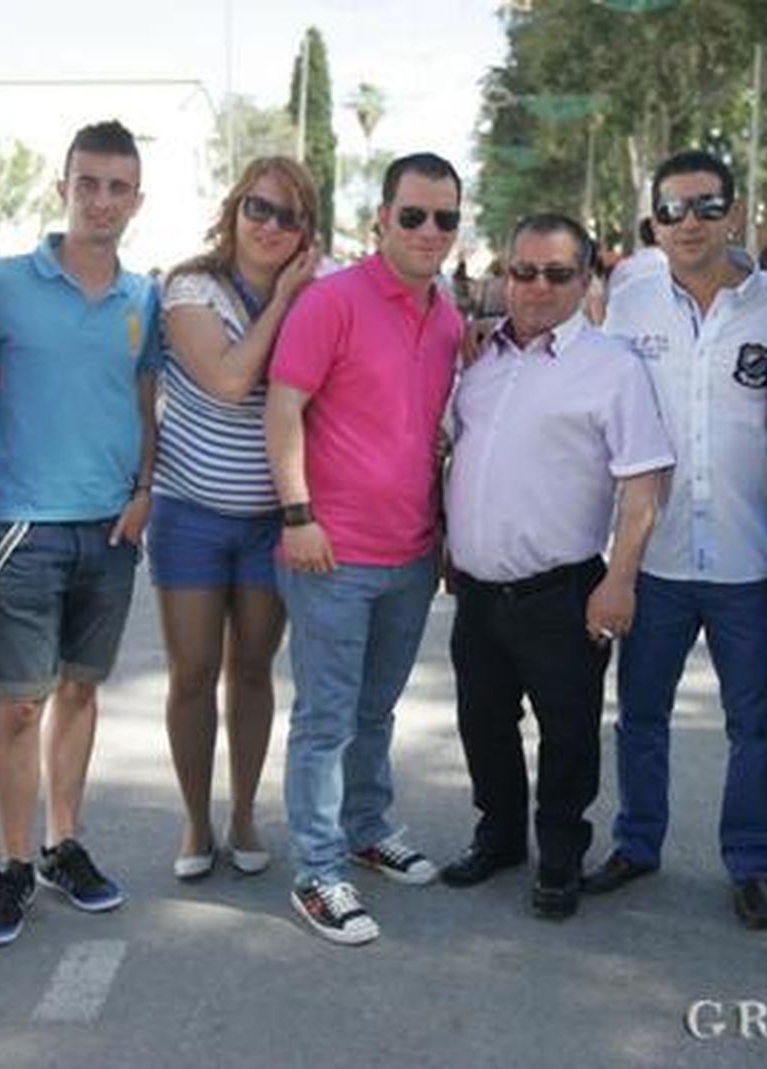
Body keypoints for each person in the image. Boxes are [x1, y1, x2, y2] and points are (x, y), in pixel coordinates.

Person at [439, 212, 672, 921]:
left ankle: (561, 854)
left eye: (557, 273)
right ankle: (501, 835)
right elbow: (456, 453)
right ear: (504, 275)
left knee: (567, 734)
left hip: (562, 593)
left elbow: (642, 485)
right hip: (478, 591)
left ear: (586, 277)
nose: (538, 287)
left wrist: (620, 577)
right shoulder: (480, 362)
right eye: (524, 271)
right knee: (483, 722)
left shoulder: (613, 367)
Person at [587, 149, 767, 932]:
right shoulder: (630, 301)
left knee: (756, 724)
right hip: (656, 557)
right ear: (654, 221)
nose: (688, 223)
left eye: (706, 206)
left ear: (735, 214)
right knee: (640, 713)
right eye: (671, 210)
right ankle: (637, 843)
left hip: (750, 560)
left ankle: (750, 862)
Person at [0, 120, 163, 945]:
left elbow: (146, 400)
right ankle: (13, 864)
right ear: (63, 188)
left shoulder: (142, 296)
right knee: (20, 707)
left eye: (118, 187)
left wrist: (147, 490)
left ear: (137, 199)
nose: (102, 200)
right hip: (23, 525)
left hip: (111, 529)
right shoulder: (3, 283)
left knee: (81, 692)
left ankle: (62, 843)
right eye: (88, 183)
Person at [265, 151, 463, 945]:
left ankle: (365, 825)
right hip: (329, 555)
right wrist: (297, 514)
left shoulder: (446, 314)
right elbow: (283, 411)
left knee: (375, 709)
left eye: (444, 217)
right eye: (412, 214)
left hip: (411, 555)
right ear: (381, 217)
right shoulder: (332, 300)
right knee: (326, 718)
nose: (428, 230)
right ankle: (316, 869)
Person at [152, 156, 320, 881]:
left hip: (268, 520)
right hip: (189, 511)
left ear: (305, 230)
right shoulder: (191, 287)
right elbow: (227, 380)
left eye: (289, 216)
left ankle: (245, 811)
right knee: (193, 672)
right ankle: (196, 818)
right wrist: (282, 302)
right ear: (234, 210)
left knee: (252, 669)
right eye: (259, 208)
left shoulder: (319, 290)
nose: (270, 226)